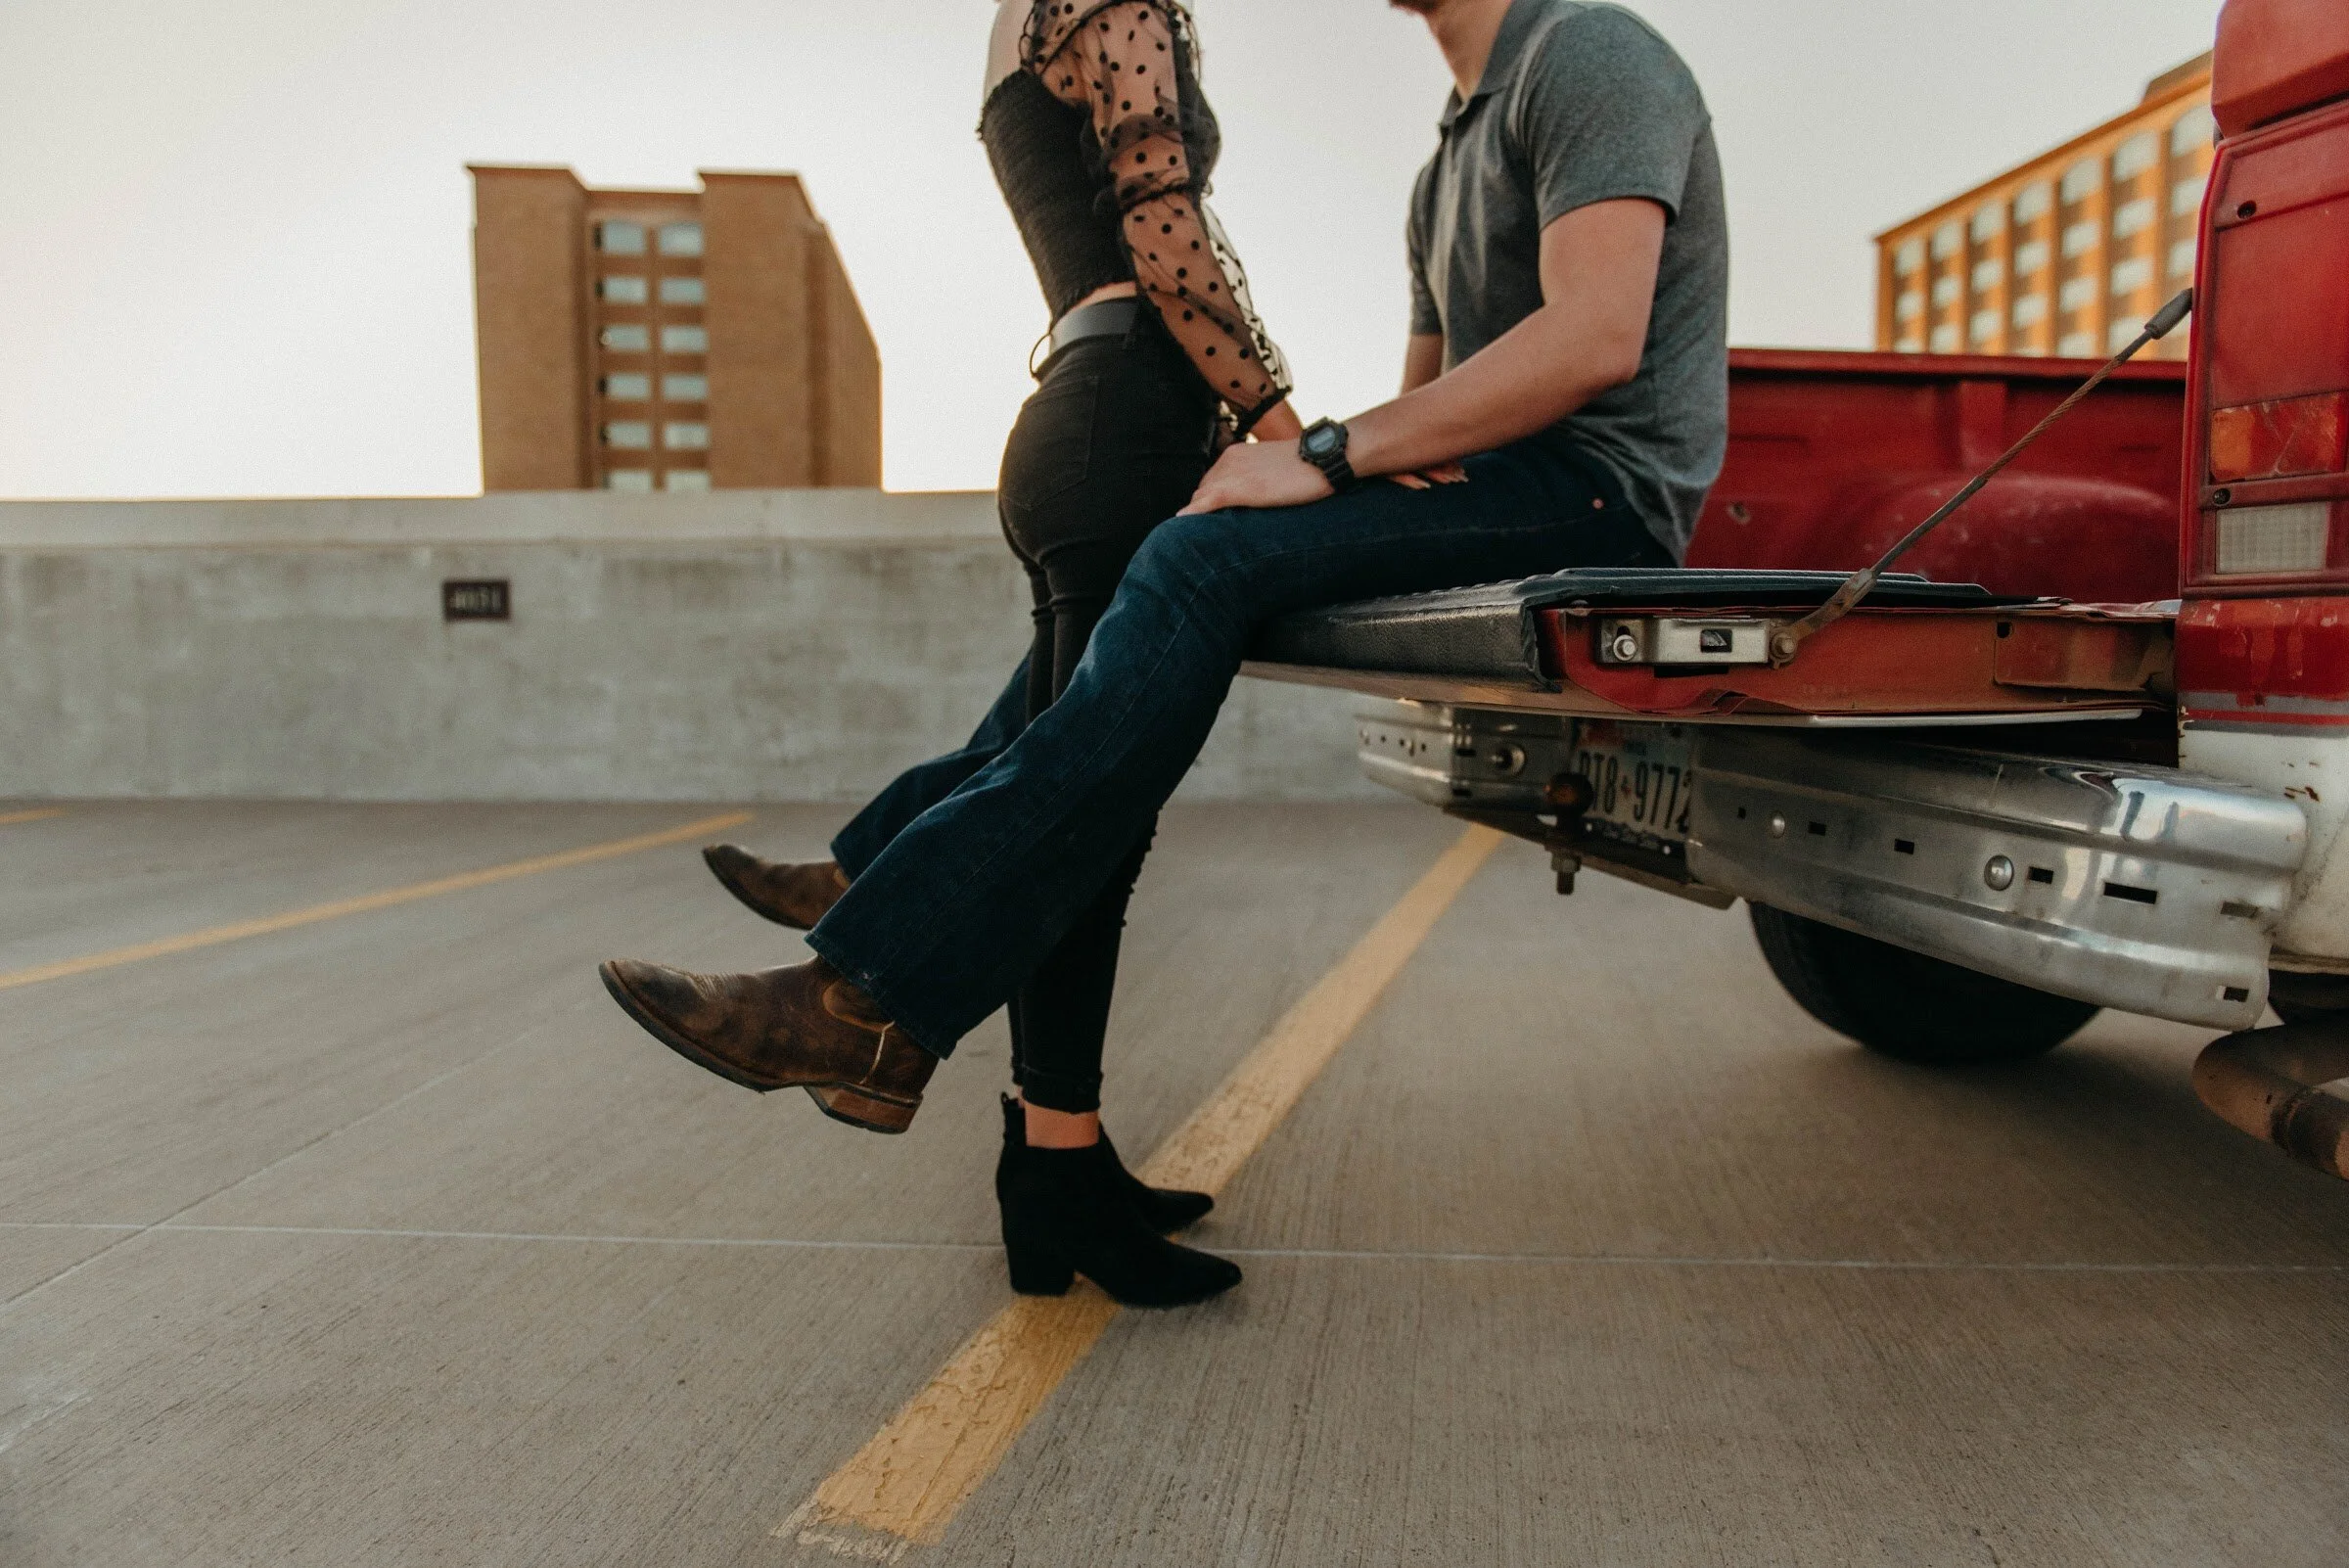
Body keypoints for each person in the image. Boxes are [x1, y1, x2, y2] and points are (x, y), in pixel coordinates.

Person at [601, 0, 1729, 1308]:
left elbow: (1596, 338)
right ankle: (964, 1065)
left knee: (1196, 562)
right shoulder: (1443, 166)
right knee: (1177, 577)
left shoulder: (1587, 53)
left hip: (1601, 489)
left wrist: (1316, 457)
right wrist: (1312, 471)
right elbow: (1421, 409)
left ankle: (871, 994)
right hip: (1492, 479)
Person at [612, 0, 1306, 1306]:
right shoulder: (1115, 2)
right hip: (1132, 418)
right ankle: (881, 1017)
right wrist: (1290, 431)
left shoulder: (1016, 23)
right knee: (1087, 816)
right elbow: (1165, 230)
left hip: (1077, 417)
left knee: (1071, 785)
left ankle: (1056, 1170)